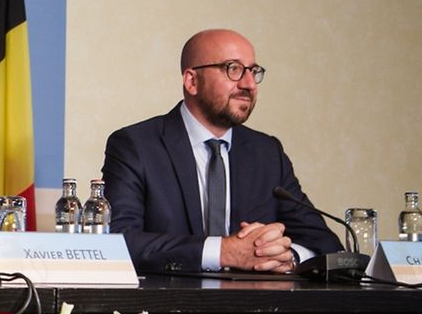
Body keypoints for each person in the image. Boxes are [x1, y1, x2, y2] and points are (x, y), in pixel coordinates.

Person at [102, 28, 341, 274]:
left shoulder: (267, 153)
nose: (249, 84)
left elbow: (325, 243)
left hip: (255, 308)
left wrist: (287, 257)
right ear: (192, 81)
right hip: (171, 307)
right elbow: (119, 242)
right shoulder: (136, 145)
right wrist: (223, 252)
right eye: (233, 69)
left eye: (253, 71)